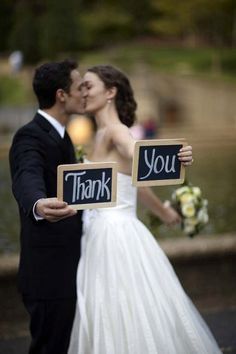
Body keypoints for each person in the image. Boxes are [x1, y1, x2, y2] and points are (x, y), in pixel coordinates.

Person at [68, 65, 222, 354]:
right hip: (94, 234)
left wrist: (175, 157)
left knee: (124, 310)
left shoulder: (117, 133)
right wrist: (164, 213)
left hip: (116, 237)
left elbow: (138, 154)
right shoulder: (96, 135)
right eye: (82, 87)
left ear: (110, 92)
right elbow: (135, 184)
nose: (83, 92)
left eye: (88, 86)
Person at [9, 59, 84, 354]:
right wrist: (38, 203)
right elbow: (26, 175)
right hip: (48, 274)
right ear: (61, 95)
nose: (84, 93)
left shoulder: (64, 136)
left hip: (68, 267)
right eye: (79, 87)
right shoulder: (29, 136)